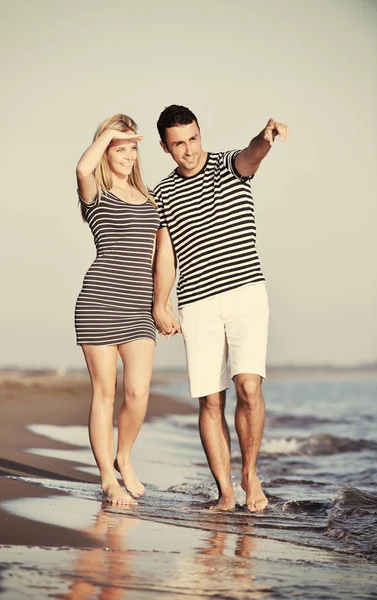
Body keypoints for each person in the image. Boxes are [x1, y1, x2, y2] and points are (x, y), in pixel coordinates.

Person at [153, 105, 289, 512]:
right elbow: (165, 255)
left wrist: (265, 139)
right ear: (165, 147)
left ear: (200, 134)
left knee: (249, 387)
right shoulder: (162, 192)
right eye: (179, 144)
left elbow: (251, 155)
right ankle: (225, 493)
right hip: (196, 303)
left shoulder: (228, 166)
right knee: (211, 400)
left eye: (193, 139)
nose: (189, 150)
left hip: (246, 293)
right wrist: (160, 303)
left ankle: (249, 474)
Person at [75, 114, 160, 507]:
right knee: (104, 394)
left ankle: (122, 456)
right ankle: (108, 479)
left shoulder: (152, 200)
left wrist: (163, 304)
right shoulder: (95, 194)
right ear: (106, 149)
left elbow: (163, 258)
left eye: (132, 148)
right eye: (118, 148)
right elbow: (81, 166)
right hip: (100, 302)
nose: (127, 155)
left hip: (139, 308)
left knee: (138, 392)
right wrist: (109, 133)